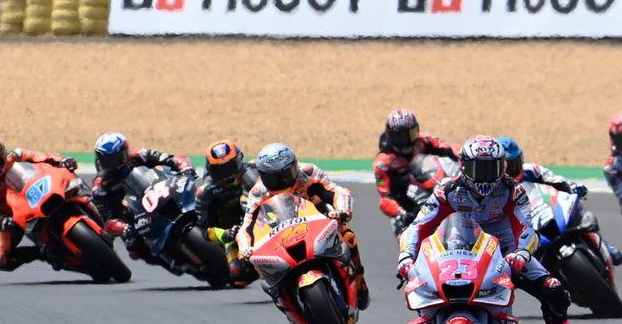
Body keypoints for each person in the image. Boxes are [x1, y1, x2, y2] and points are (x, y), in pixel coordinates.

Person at [399, 136, 596, 324]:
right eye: (476, 168)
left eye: (490, 168)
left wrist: (522, 253)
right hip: (461, 250)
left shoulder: (513, 190)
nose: (484, 175)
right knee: (421, 280)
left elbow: (527, 228)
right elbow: (418, 225)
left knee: (554, 291)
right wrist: (406, 257)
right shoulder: (447, 190)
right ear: (463, 167)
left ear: (502, 167)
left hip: (506, 253)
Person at [238, 144, 369, 310]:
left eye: (285, 175)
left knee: (347, 236)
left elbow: (337, 191)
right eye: (273, 178)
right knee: (261, 268)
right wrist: (244, 248)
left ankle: (358, 279)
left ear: (294, 167)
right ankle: (285, 301)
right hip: (280, 233)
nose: (281, 182)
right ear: (263, 177)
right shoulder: (258, 192)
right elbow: (247, 226)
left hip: (317, 221)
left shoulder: (307, 172)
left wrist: (342, 210)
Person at [89, 132, 194, 270]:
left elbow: (170, 159)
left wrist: (184, 167)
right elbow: (107, 221)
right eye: (106, 160)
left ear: (125, 152)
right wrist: (123, 228)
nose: (111, 165)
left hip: (160, 191)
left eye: (115, 159)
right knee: (134, 249)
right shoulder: (100, 187)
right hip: (133, 219)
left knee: (194, 193)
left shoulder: (141, 155)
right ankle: (171, 263)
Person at [0, 133, 78, 272]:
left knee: (72, 182)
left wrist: (62, 161)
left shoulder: (17, 156)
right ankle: (44, 254)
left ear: (0, 154)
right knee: (2, 261)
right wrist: (0, 223)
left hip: (38, 191)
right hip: (13, 218)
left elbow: (44, 157)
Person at [372, 109, 459, 224]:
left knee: (447, 162)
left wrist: (466, 156)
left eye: (411, 133)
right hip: (406, 203)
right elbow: (385, 199)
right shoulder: (383, 163)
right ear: (391, 136)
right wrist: (401, 213)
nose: (407, 140)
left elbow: (449, 148)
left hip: (430, 188)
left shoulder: (423, 140)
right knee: (404, 234)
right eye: (401, 136)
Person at [196, 141, 258, 285]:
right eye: (220, 171)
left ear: (240, 160)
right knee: (239, 276)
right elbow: (206, 231)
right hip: (236, 232)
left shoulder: (257, 169)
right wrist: (227, 234)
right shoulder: (205, 193)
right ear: (210, 170)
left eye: (231, 167)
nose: (227, 175)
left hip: (268, 220)